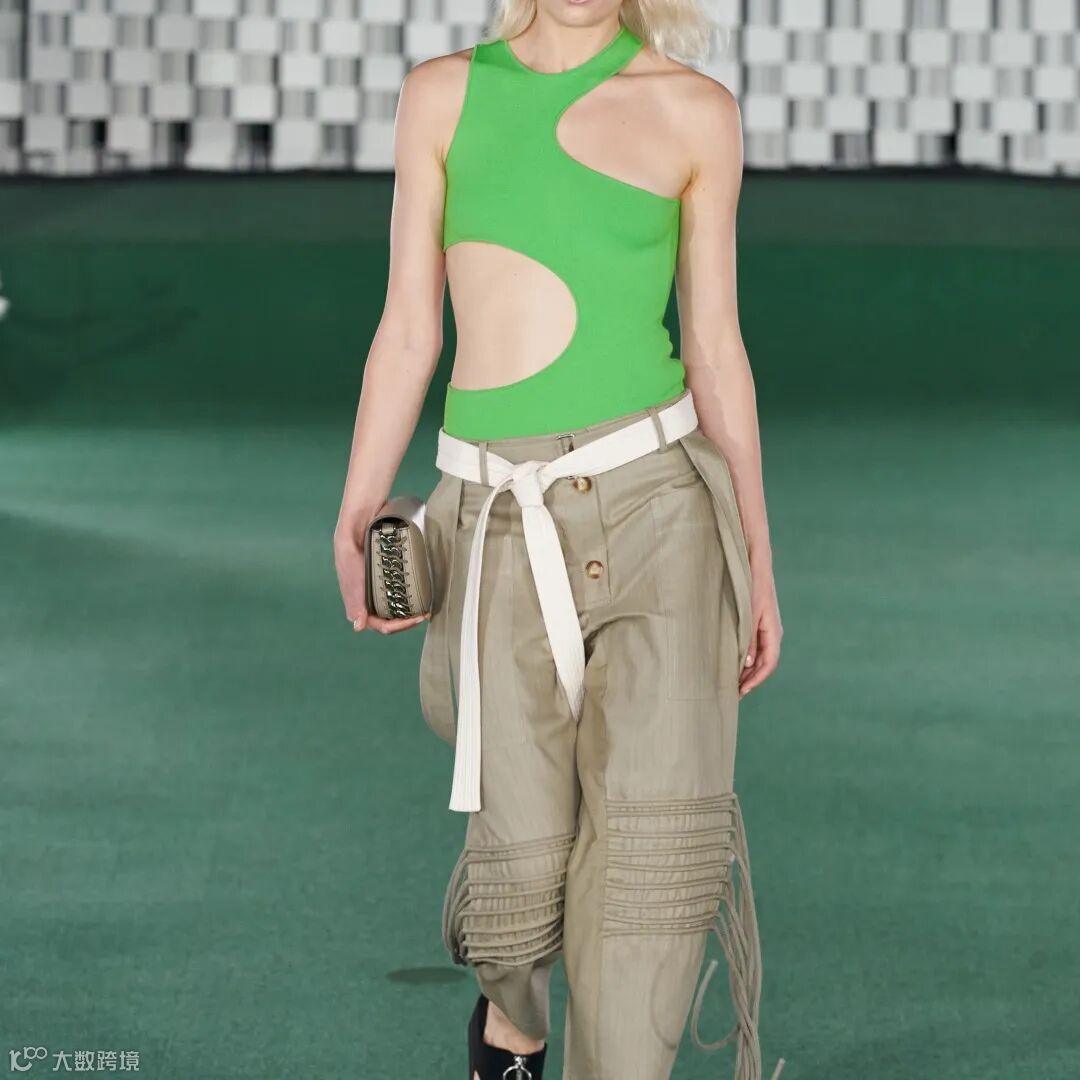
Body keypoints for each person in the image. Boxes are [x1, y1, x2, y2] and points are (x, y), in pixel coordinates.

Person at [333, 0, 783, 1076]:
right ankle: (513, 1025)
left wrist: (755, 559)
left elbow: (715, 345)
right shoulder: (443, 95)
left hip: (662, 511)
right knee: (519, 882)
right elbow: (410, 328)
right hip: (493, 521)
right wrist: (356, 511)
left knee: (647, 879)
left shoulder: (696, 111)